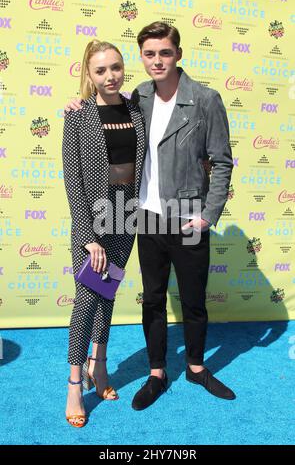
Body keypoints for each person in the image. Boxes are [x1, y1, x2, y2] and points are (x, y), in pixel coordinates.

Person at [64, 22, 236, 412]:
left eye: (165, 52)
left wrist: (208, 215)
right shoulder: (138, 97)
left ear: (178, 53)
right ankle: (156, 372)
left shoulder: (206, 99)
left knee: (193, 300)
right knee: (153, 299)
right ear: (142, 57)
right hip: (143, 217)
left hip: (188, 215)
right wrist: (78, 104)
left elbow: (222, 162)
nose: (157, 60)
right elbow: (99, 121)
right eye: (149, 54)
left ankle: (195, 366)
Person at [62, 39, 145, 427]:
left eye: (115, 67)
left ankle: (101, 365)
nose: (110, 76)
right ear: (88, 75)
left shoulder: (135, 109)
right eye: (100, 70)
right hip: (93, 222)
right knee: (86, 299)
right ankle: (75, 384)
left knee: (107, 292)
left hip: (125, 217)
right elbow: (73, 181)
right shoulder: (77, 116)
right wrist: (87, 236)